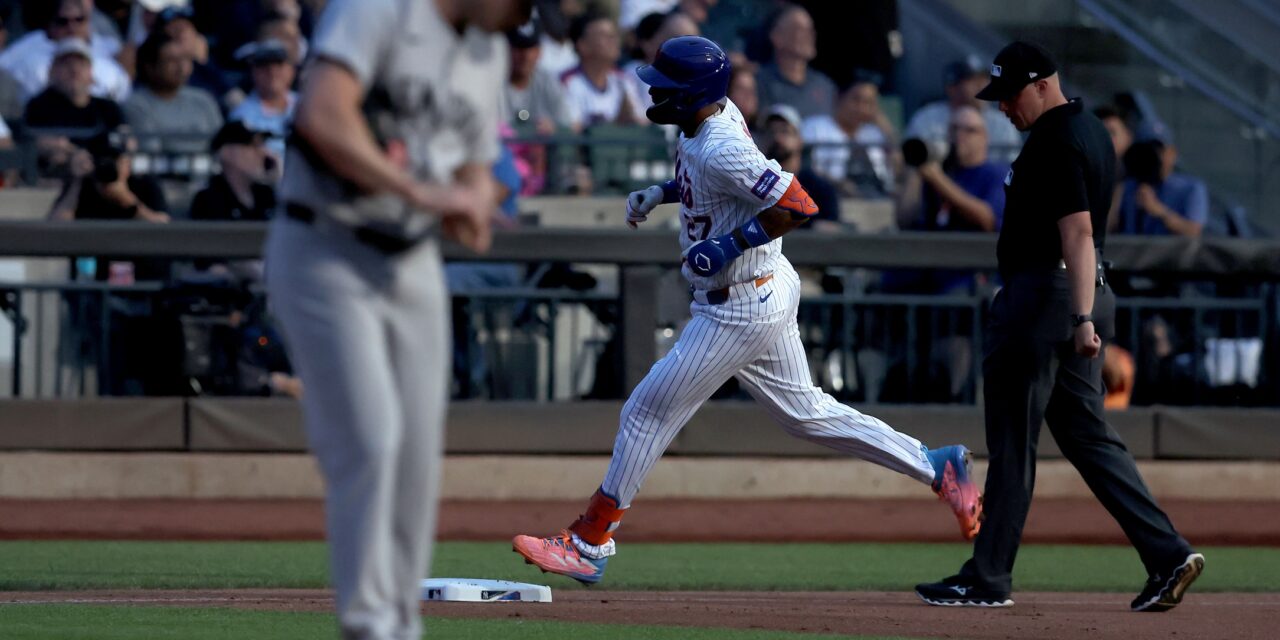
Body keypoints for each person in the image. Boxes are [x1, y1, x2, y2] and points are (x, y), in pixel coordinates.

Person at [512, 36, 982, 586]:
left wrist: (730, 245)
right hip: (762, 285)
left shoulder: (720, 143)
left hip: (738, 304)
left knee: (645, 411)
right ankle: (935, 463)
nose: (655, 93)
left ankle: (590, 541)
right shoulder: (707, 126)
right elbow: (712, 186)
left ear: (694, 94)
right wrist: (660, 192)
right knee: (806, 413)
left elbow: (797, 203)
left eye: (665, 88)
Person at [263, 0, 536, 637]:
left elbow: (472, 165)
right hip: (324, 244)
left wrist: (473, 199)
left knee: (415, 457)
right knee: (371, 438)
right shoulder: (379, 10)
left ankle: (399, 625)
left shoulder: (487, 50)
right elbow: (323, 113)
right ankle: (369, 627)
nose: (516, 21)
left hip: (410, 259)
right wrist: (422, 192)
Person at [914, 41, 1203, 612]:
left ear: (1044, 83)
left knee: (1014, 443)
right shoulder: (1093, 129)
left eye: (1011, 94)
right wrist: (1086, 306)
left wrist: (1081, 317)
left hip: (1046, 298)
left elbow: (1077, 232)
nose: (1003, 107)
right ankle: (1167, 552)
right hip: (1074, 293)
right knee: (1088, 437)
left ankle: (989, 577)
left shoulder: (1056, 138)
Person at [896, 105, 1007, 234]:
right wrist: (915, 169)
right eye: (955, 129)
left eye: (969, 130)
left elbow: (988, 220)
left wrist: (938, 180)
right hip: (934, 248)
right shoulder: (941, 169)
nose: (960, 135)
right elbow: (904, 221)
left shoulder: (996, 173)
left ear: (984, 138)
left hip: (974, 249)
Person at [22, 38, 125, 174]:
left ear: (91, 72)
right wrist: (72, 153)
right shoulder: (38, 106)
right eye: (66, 64)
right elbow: (36, 143)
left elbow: (126, 139)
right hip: (56, 178)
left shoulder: (109, 108)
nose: (74, 70)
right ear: (52, 71)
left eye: (81, 64)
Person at [0, 0, 131, 102]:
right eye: (63, 22)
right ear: (51, 24)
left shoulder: (110, 47)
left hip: (98, 115)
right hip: (44, 114)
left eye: (79, 20)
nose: (72, 27)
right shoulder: (31, 44)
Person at [904, 55, 1021, 163]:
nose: (982, 85)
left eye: (984, 79)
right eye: (973, 80)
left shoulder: (1002, 123)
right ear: (952, 88)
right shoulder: (928, 118)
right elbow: (910, 161)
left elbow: (1013, 166)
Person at [122, 30, 224, 143]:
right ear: (150, 67)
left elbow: (222, 146)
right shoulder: (137, 105)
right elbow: (150, 151)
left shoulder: (203, 100)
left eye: (185, 59)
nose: (181, 68)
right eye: (172, 61)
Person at [801, 78, 896, 193]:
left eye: (869, 103)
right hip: (828, 198)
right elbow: (804, 169)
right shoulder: (814, 127)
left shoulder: (874, 133)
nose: (862, 108)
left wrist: (882, 123)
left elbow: (896, 167)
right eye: (856, 100)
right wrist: (836, 184)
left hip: (875, 198)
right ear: (839, 98)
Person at [1116, 123, 1208, 238]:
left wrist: (1157, 209)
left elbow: (1193, 232)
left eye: (1158, 149)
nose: (1151, 156)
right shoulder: (1127, 186)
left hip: (1170, 255)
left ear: (1172, 153)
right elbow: (1108, 229)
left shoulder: (1191, 188)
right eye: (1145, 150)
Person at [560, 11, 644, 128]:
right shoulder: (567, 82)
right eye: (605, 36)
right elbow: (571, 132)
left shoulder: (624, 80)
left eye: (614, 35)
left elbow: (642, 125)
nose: (614, 41)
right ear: (582, 45)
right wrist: (618, 124)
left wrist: (630, 119)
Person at [761, 104, 839, 230]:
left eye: (785, 131)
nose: (777, 138)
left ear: (799, 140)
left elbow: (832, 230)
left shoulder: (820, 188)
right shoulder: (755, 183)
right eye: (771, 132)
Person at [755, 5, 835, 120]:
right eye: (799, 29)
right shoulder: (758, 83)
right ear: (776, 36)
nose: (810, 35)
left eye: (810, 30)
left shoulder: (825, 86)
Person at [190, 121, 278, 222]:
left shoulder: (266, 196)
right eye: (251, 145)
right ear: (226, 152)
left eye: (262, 145)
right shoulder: (207, 200)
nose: (263, 153)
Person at [229, 39, 296, 162]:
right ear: (253, 72)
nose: (272, 72)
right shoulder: (241, 117)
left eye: (279, 64)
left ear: (291, 70)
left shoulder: (306, 106)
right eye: (264, 66)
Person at [504, 16, 574, 133]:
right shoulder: (493, 82)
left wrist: (555, 128)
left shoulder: (548, 82)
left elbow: (568, 126)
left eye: (530, 48)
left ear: (539, 51)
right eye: (519, 48)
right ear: (506, 48)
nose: (525, 56)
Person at [622, 10, 699, 114]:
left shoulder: (699, 81)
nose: (686, 49)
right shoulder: (629, 77)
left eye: (694, 43)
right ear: (647, 43)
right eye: (676, 39)